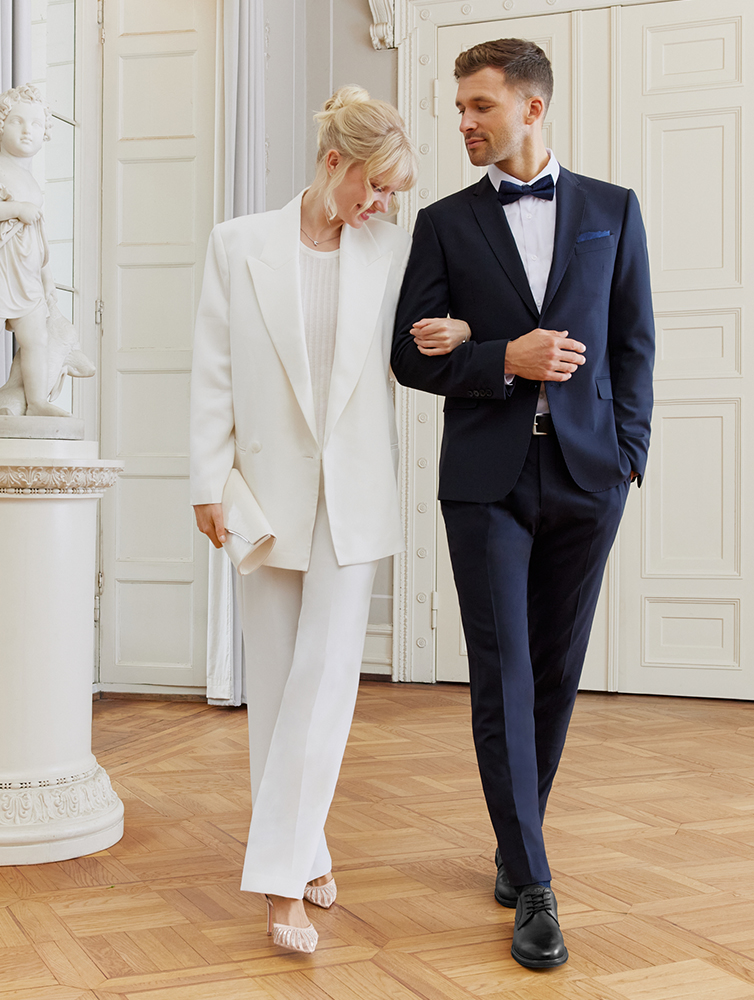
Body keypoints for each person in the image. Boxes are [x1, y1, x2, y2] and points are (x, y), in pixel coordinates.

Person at [389, 38, 656, 970]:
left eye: (479, 107)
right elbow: (410, 356)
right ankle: (535, 883)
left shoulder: (612, 211)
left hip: (589, 476)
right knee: (501, 675)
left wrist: (631, 455)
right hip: (485, 485)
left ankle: (515, 840)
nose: (462, 122)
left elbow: (633, 346)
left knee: (555, 674)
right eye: (458, 107)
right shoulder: (442, 223)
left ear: (532, 108)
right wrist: (503, 356)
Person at [188, 86, 419, 954]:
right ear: (335, 164)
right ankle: (308, 847)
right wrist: (207, 481)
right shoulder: (238, 245)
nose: (384, 203)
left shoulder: (389, 250)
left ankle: (281, 885)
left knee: (324, 681)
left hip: (354, 496)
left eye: (393, 192)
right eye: (377, 185)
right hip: (266, 496)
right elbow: (211, 369)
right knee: (280, 686)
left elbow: (410, 345)